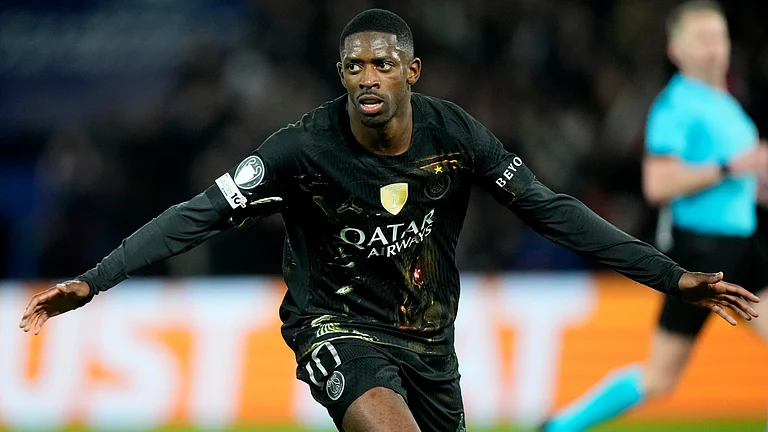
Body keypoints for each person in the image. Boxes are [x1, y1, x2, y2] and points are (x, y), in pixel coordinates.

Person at [19, 8, 760, 432]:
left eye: (381, 63)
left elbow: (555, 213)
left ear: (410, 71)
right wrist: (94, 279)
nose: (366, 76)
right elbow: (197, 215)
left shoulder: (456, 137)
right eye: (352, 66)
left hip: (429, 342)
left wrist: (669, 276)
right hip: (335, 329)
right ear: (341, 75)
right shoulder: (301, 150)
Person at [543, 2, 768, 431]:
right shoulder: (675, 106)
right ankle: (559, 426)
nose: (713, 48)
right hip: (703, 252)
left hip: (744, 244)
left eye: (718, 37)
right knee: (660, 377)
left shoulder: (726, 105)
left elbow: (739, 177)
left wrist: (752, 177)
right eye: (701, 39)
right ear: (675, 48)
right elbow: (657, 183)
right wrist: (730, 168)